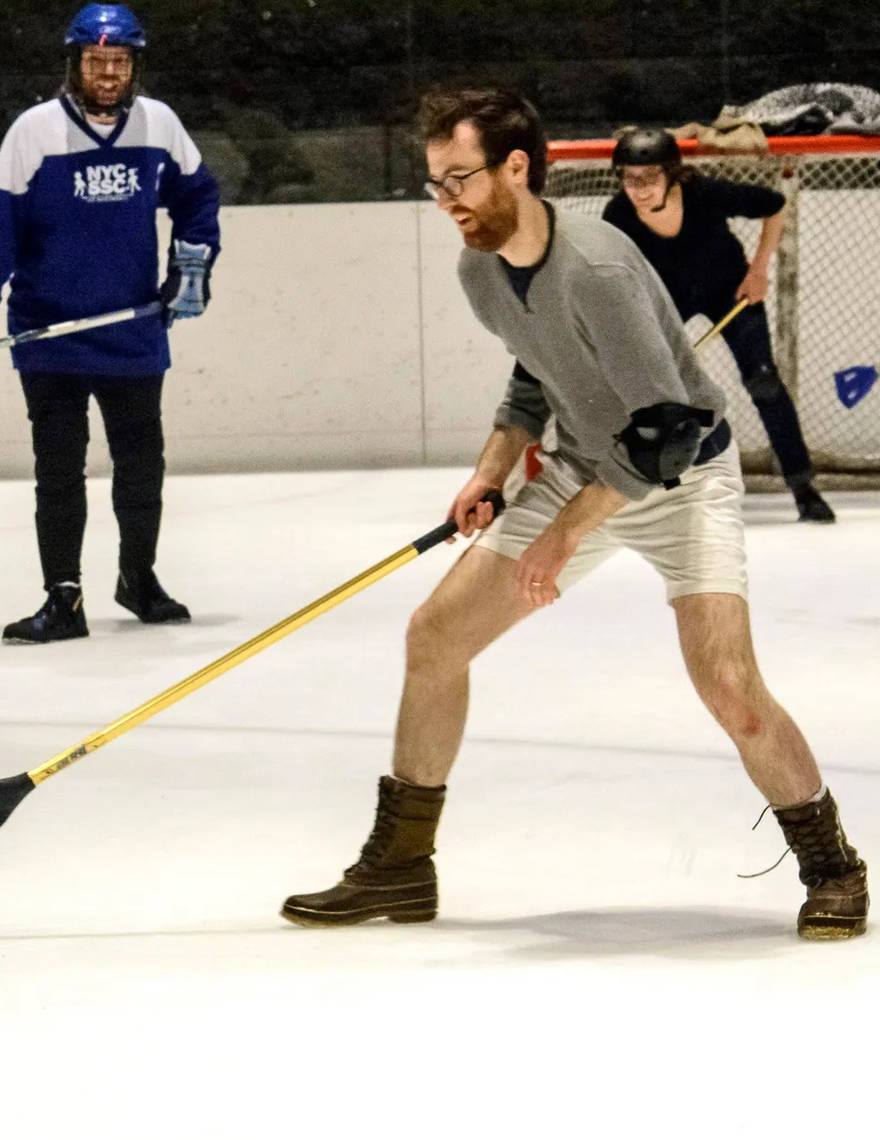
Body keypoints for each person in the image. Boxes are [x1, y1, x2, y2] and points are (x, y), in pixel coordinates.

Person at [281, 90, 864, 941]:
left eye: (460, 180)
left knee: (729, 688)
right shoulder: (480, 267)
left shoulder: (598, 267)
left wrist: (560, 535)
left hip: (683, 477)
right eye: (435, 182)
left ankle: (834, 867)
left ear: (517, 168)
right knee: (434, 637)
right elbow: (533, 375)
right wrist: (489, 471)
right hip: (585, 463)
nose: (445, 201)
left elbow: (667, 435)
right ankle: (402, 867)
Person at [0, 3, 220, 643]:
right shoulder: (34, 131)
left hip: (132, 334)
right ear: (75, 63)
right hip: (50, 337)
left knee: (141, 465)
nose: (107, 73)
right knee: (60, 472)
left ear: (134, 66)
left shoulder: (159, 125)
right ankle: (63, 598)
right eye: (96, 62)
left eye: (119, 62)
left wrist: (190, 264)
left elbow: (198, 197)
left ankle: (138, 579)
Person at [603, 126, 835, 523]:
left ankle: (802, 485)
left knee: (763, 381)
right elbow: (614, 271)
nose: (639, 189)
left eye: (650, 178)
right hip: (668, 299)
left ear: (672, 173)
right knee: (654, 389)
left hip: (730, 290)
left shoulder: (704, 194)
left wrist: (759, 271)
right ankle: (663, 482)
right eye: (630, 179)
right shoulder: (618, 215)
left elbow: (775, 205)